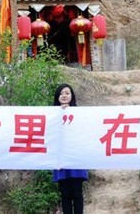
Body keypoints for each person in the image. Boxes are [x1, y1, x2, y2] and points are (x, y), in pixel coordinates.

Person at [52, 83, 88, 214]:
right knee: (65, 193)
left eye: (67, 93)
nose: (64, 95)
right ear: (57, 97)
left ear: (72, 96)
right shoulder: (51, 115)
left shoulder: (80, 113)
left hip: (76, 157)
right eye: (61, 93)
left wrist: (69, 112)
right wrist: (60, 113)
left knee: (77, 192)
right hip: (60, 158)